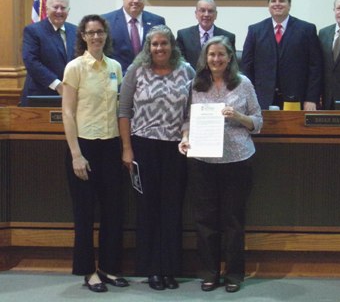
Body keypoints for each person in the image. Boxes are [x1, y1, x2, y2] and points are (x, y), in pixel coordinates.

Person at [178, 36, 263, 293]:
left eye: (221, 55)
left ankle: (235, 273)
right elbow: (186, 120)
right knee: (205, 220)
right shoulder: (195, 85)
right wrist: (184, 137)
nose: (216, 59)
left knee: (233, 220)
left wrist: (238, 116)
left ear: (229, 58)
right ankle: (209, 273)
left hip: (237, 160)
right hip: (203, 161)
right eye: (211, 55)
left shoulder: (243, 84)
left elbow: (258, 122)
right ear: (205, 58)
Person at [118, 25, 195, 290]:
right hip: (143, 147)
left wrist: (186, 134)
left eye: (164, 43)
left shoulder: (187, 71)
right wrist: (127, 148)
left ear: (172, 46)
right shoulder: (135, 71)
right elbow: (124, 110)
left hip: (176, 149)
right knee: (148, 209)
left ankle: (170, 268)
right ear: (147, 47)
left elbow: (191, 112)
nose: (159, 48)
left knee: (172, 209)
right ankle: (151, 269)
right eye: (154, 44)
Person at [62, 15, 128, 293]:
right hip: (84, 147)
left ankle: (109, 268)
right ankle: (88, 271)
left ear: (105, 35)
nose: (96, 37)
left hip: (111, 145)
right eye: (91, 33)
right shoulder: (75, 68)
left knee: (113, 211)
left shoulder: (115, 67)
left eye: (100, 32)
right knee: (85, 213)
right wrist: (76, 154)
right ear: (83, 37)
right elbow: (67, 111)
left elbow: (119, 107)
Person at [241, 0, 323, 110]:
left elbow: (315, 67)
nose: (277, 4)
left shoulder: (307, 30)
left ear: (289, 5)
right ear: (268, 5)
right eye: (273, 1)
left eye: (282, 1)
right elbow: (247, 67)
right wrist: (249, 98)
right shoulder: (255, 31)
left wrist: (311, 99)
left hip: (296, 99)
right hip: (262, 99)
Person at [20, 0, 77, 106]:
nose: (59, 11)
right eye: (55, 7)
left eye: (63, 8)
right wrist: (57, 85)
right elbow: (31, 61)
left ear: (68, 11)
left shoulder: (76, 31)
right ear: (47, 9)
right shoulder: (33, 31)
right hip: (40, 96)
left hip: (71, 96)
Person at [102, 0, 166, 74]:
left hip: (150, 80)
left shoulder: (157, 21)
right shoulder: (107, 21)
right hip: (118, 80)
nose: (136, 1)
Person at [176, 0, 236, 69]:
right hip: (192, 78)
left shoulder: (228, 37)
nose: (206, 14)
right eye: (202, 10)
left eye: (210, 11)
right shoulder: (183, 35)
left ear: (216, 15)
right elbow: (180, 64)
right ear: (196, 14)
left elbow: (232, 66)